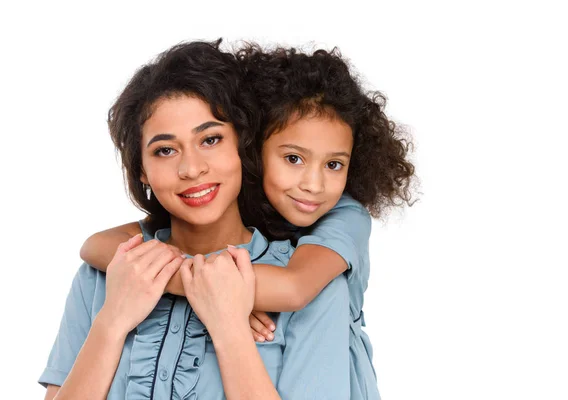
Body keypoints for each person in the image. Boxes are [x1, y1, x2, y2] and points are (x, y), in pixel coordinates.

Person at [78, 43, 415, 399]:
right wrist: (113, 318)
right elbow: (97, 245)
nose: (312, 184)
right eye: (165, 149)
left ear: (241, 144)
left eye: (210, 139)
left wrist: (221, 313)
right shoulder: (114, 272)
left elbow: (294, 287)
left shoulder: (334, 242)